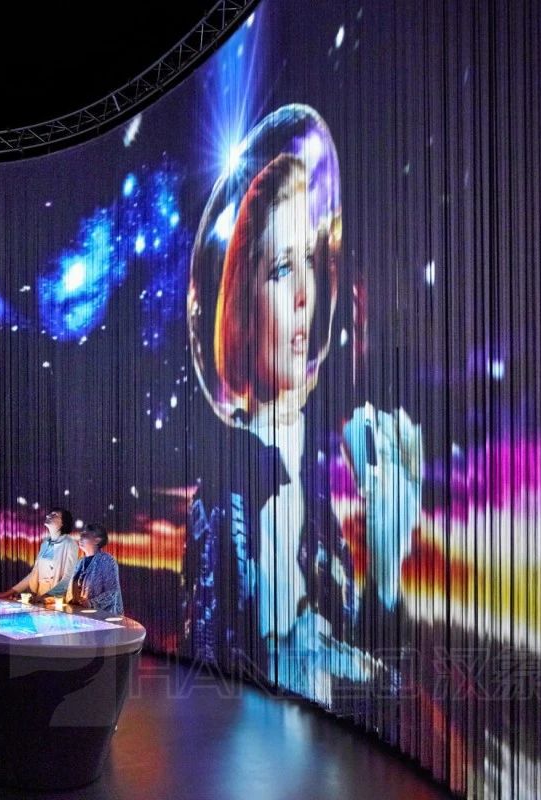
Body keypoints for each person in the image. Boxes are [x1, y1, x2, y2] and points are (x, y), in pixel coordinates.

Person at [181, 105, 423, 706]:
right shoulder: (222, 501)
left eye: (309, 262)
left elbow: (379, 688)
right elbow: (202, 689)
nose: (303, 295)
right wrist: (277, 664)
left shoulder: (316, 499)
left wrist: (385, 570)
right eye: (281, 269)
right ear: (240, 306)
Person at [0, 508, 79, 600]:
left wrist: (47, 596)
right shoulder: (45, 543)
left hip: (56, 600)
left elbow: (68, 577)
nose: (48, 516)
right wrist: (8, 593)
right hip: (40, 596)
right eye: (50, 514)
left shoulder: (70, 544)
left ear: (63, 523)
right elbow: (34, 574)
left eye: (54, 515)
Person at [47, 524, 123, 616]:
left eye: (85, 535)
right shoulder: (79, 563)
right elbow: (71, 591)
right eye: (81, 535)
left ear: (97, 540)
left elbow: (112, 592)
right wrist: (55, 598)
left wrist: (91, 603)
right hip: (80, 616)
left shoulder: (106, 560)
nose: (81, 538)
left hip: (102, 618)